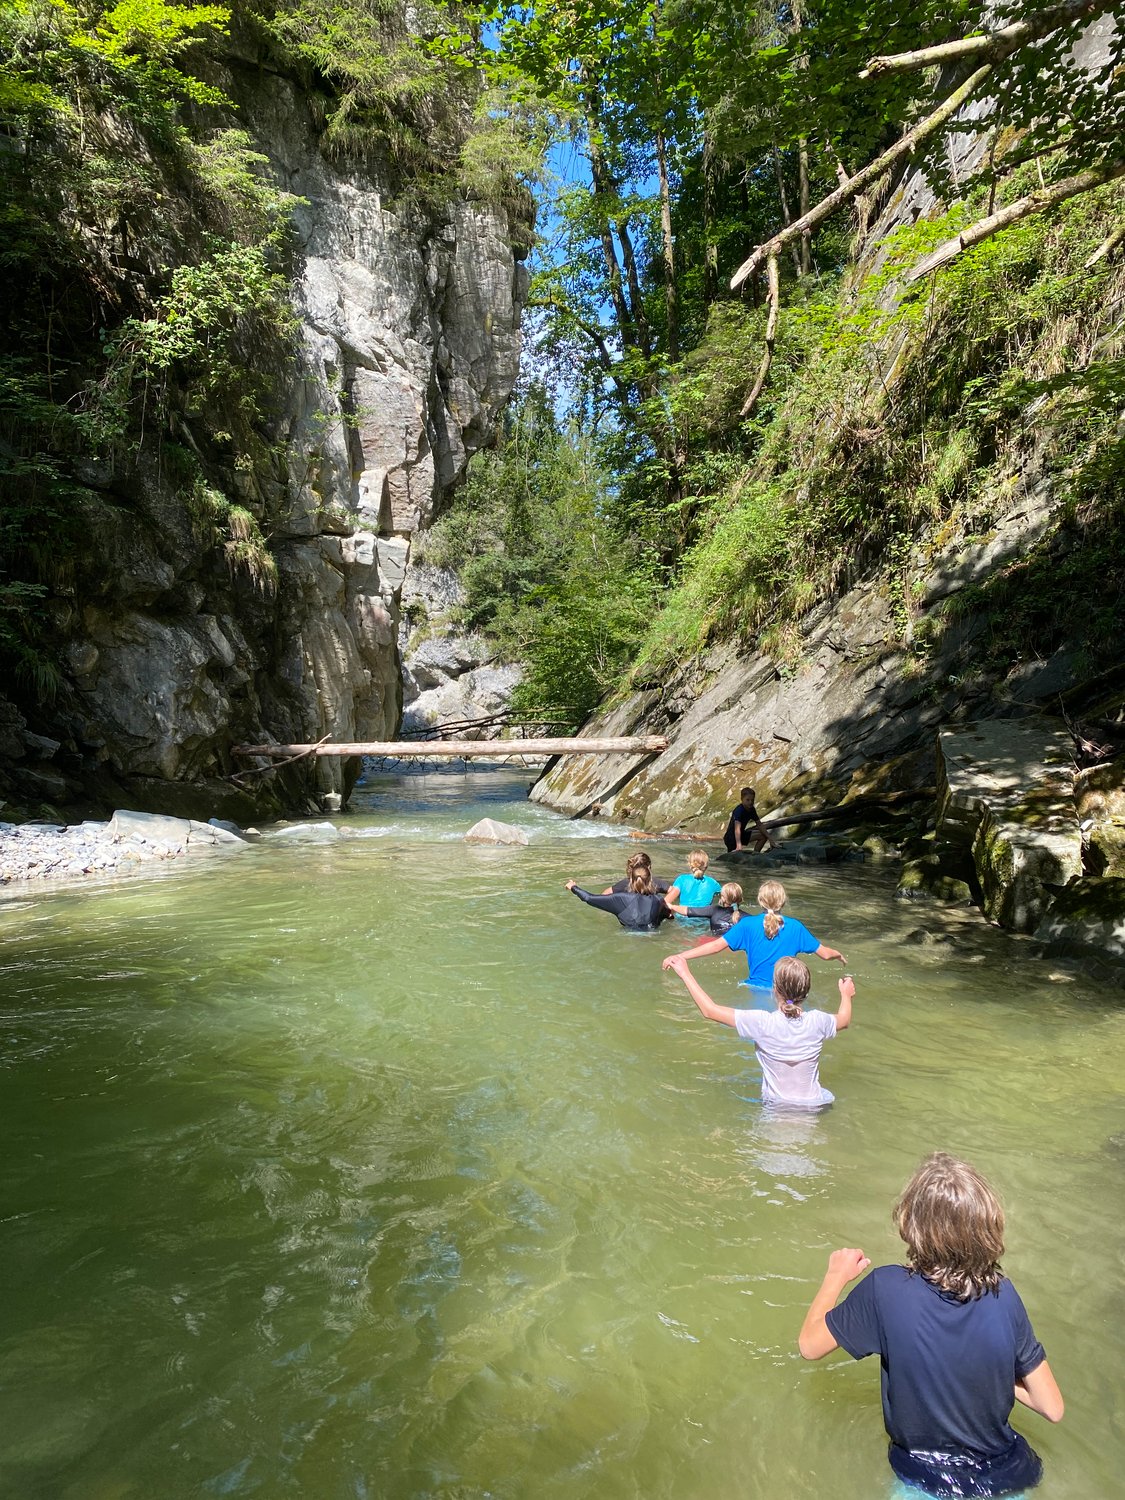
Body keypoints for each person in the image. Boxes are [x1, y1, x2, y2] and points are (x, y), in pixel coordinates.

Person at [798, 1152, 1064, 1497]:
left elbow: (809, 1345)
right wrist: (985, 1374)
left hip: (927, 1480)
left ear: (911, 1223)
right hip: (1007, 1478)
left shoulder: (885, 1289)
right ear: (988, 1225)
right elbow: (1051, 1407)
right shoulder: (1005, 1294)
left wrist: (835, 1276)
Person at [666, 954, 852, 1108]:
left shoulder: (762, 1023)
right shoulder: (818, 1021)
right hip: (814, 1105)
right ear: (806, 991)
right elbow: (844, 1020)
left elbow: (709, 1011)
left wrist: (685, 973)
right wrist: (846, 994)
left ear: (775, 989)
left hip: (778, 1108)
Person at [661, 879, 845, 990]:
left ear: (760, 901)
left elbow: (715, 947)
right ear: (783, 902)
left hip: (753, 988)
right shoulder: (795, 927)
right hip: (786, 993)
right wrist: (839, 955)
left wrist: (679, 956)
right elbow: (825, 953)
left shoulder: (748, 924)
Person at [565, 867, 673, 931]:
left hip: (628, 938)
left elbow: (588, 898)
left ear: (631, 880)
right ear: (650, 880)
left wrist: (573, 887)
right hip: (653, 939)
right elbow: (670, 917)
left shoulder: (621, 899)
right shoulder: (659, 900)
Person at [666, 880, 744, 935]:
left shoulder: (714, 910)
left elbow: (689, 911)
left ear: (723, 898)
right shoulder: (746, 917)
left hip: (716, 941)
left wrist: (672, 906)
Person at [724, 787, 774, 853]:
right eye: (747, 800)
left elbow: (759, 825)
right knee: (734, 856)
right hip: (731, 838)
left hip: (742, 835)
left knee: (763, 836)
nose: (750, 802)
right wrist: (738, 845)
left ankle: (756, 854)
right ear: (742, 799)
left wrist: (770, 839)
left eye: (752, 800)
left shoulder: (751, 809)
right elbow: (737, 829)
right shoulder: (739, 810)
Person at [603, 850, 671, 895]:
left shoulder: (626, 883)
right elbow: (674, 891)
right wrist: (665, 904)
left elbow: (605, 894)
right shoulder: (655, 882)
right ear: (649, 867)